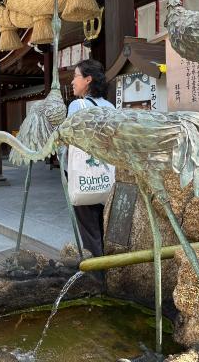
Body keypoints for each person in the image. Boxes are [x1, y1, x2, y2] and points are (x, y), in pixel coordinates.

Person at [67, 59, 114, 257]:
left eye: (75, 76)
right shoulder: (111, 107)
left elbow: (69, 140)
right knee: (105, 227)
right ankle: (110, 272)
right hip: (105, 175)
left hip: (84, 176)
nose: (72, 82)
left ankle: (96, 276)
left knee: (89, 230)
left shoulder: (78, 105)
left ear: (88, 79)